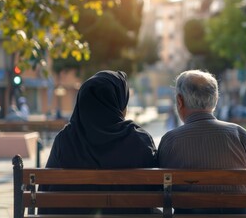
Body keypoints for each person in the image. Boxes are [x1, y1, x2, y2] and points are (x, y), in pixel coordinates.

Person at [157, 70, 246, 215]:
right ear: (215, 100)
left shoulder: (170, 140)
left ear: (180, 101)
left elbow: (158, 190)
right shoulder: (239, 134)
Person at [39, 70, 158, 215]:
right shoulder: (139, 140)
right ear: (118, 102)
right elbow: (155, 191)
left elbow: (45, 191)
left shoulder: (65, 139)